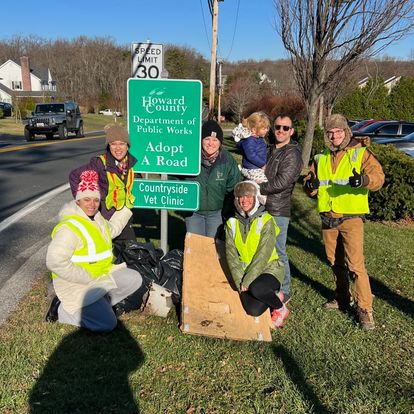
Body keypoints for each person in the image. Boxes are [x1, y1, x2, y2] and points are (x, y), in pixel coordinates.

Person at [304, 114, 385, 330]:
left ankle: (365, 309)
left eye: (338, 132)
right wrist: (309, 185)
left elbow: (378, 177)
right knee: (334, 262)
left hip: (351, 219)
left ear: (346, 132)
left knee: (356, 266)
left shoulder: (360, 154)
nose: (334, 136)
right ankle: (342, 298)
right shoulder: (321, 157)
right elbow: (310, 185)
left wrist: (364, 180)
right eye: (330, 132)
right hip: (328, 218)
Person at [46, 170, 144, 332]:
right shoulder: (69, 227)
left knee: (134, 279)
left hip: (98, 279)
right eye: (86, 199)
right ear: (78, 201)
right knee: (107, 324)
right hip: (76, 284)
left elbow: (111, 229)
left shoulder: (96, 219)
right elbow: (54, 261)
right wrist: (85, 277)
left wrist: (127, 207)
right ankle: (62, 311)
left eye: (96, 200)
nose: (91, 204)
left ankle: (98, 304)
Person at [225, 181, 288, 328]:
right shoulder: (231, 223)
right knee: (253, 309)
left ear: (255, 199)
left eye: (248, 196)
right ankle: (271, 295)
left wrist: (247, 282)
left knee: (257, 289)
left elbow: (263, 255)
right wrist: (240, 281)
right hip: (246, 274)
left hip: (269, 269)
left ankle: (280, 308)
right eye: (241, 197)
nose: (244, 200)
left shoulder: (266, 220)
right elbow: (231, 256)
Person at [259, 114, 303, 303]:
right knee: (261, 248)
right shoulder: (270, 149)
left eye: (285, 128)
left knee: (278, 250)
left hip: (277, 209)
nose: (281, 130)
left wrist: (256, 187)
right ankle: (265, 282)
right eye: (278, 126)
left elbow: (282, 182)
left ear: (291, 131)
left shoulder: (292, 153)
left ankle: (285, 289)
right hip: (261, 205)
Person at [69, 124, 137, 243]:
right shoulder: (99, 163)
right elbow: (74, 176)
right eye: (113, 144)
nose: (118, 148)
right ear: (108, 146)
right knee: (104, 254)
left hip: (124, 217)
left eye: (122, 143)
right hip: (104, 218)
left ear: (127, 146)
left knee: (131, 254)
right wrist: (82, 201)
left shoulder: (134, 164)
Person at [185, 120, 241, 238]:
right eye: (207, 139)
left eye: (215, 140)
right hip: (193, 213)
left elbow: (234, 189)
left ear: (220, 143)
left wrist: (226, 212)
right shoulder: (189, 157)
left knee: (213, 248)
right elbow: (174, 179)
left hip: (216, 214)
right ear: (201, 141)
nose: (211, 143)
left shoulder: (227, 161)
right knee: (195, 248)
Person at [232, 112, 270, 184]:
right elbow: (251, 155)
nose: (266, 130)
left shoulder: (258, 138)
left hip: (255, 168)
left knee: (257, 186)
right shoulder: (250, 140)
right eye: (264, 128)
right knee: (263, 184)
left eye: (267, 128)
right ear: (254, 130)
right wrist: (262, 164)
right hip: (251, 168)